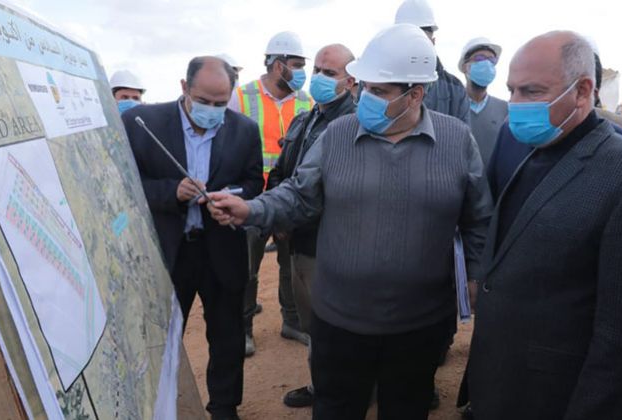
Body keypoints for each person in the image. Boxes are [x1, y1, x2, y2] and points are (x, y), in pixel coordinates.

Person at [204, 24, 492, 420]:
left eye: (379, 91)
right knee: (336, 409)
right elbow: (299, 195)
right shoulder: (338, 134)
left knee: (406, 410)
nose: (364, 97)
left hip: (420, 325)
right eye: (365, 87)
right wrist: (251, 209)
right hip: (340, 322)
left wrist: (474, 274)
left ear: (415, 94)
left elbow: (478, 218)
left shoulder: (456, 141)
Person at [466, 31, 622, 420]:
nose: (515, 104)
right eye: (512, 90)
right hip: (509, 388)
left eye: (532, 91)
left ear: (583, 91)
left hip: (561, 399)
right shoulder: (537, 153)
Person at [122, 57, 263, 420]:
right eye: (203, 101)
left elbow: (253, 183)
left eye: (221, 103)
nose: (212, 110)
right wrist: (172, 192)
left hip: (222, 249)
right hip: (169, 253)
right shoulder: (143, 124)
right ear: (184, 87)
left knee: (228, 335)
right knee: (162, 338)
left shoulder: (245, 130)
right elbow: (125, 182)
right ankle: (158, 407)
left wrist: (231, 198)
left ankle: (224, 407)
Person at [267, 43, 357, 409]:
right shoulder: (303, 120)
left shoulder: (354, 125)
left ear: (351, 81)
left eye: (329, 72)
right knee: (312, 325)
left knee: (337, 326)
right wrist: (279, 217)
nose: (318, 77)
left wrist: (291, 214)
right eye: (317, 70)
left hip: (330, 246)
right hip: (297, 242)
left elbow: (335, 191)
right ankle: (322, 385)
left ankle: (348, 393)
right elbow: (281, 172)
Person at [230, 31, 313, 356]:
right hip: (251, 199)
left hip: (291, 198)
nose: (302, 71)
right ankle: (244, 330)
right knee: (247, 268)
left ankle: (292, 321)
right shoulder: (241, 97)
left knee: (290, 264)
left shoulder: (306, 102)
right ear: (279, 65)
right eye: (297, 64)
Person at [395, 0, 469, 123]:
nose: (414, 45)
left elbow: (464, 133)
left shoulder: (455, 89)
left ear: (433, 42)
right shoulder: (375, 81)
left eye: (420, 39)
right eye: (407, 38)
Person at [458, 37, 508, 164]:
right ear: (465, 67)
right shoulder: (452, 106)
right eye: (479, 58)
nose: (486, 64)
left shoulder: (505, 109)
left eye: (491, 60)